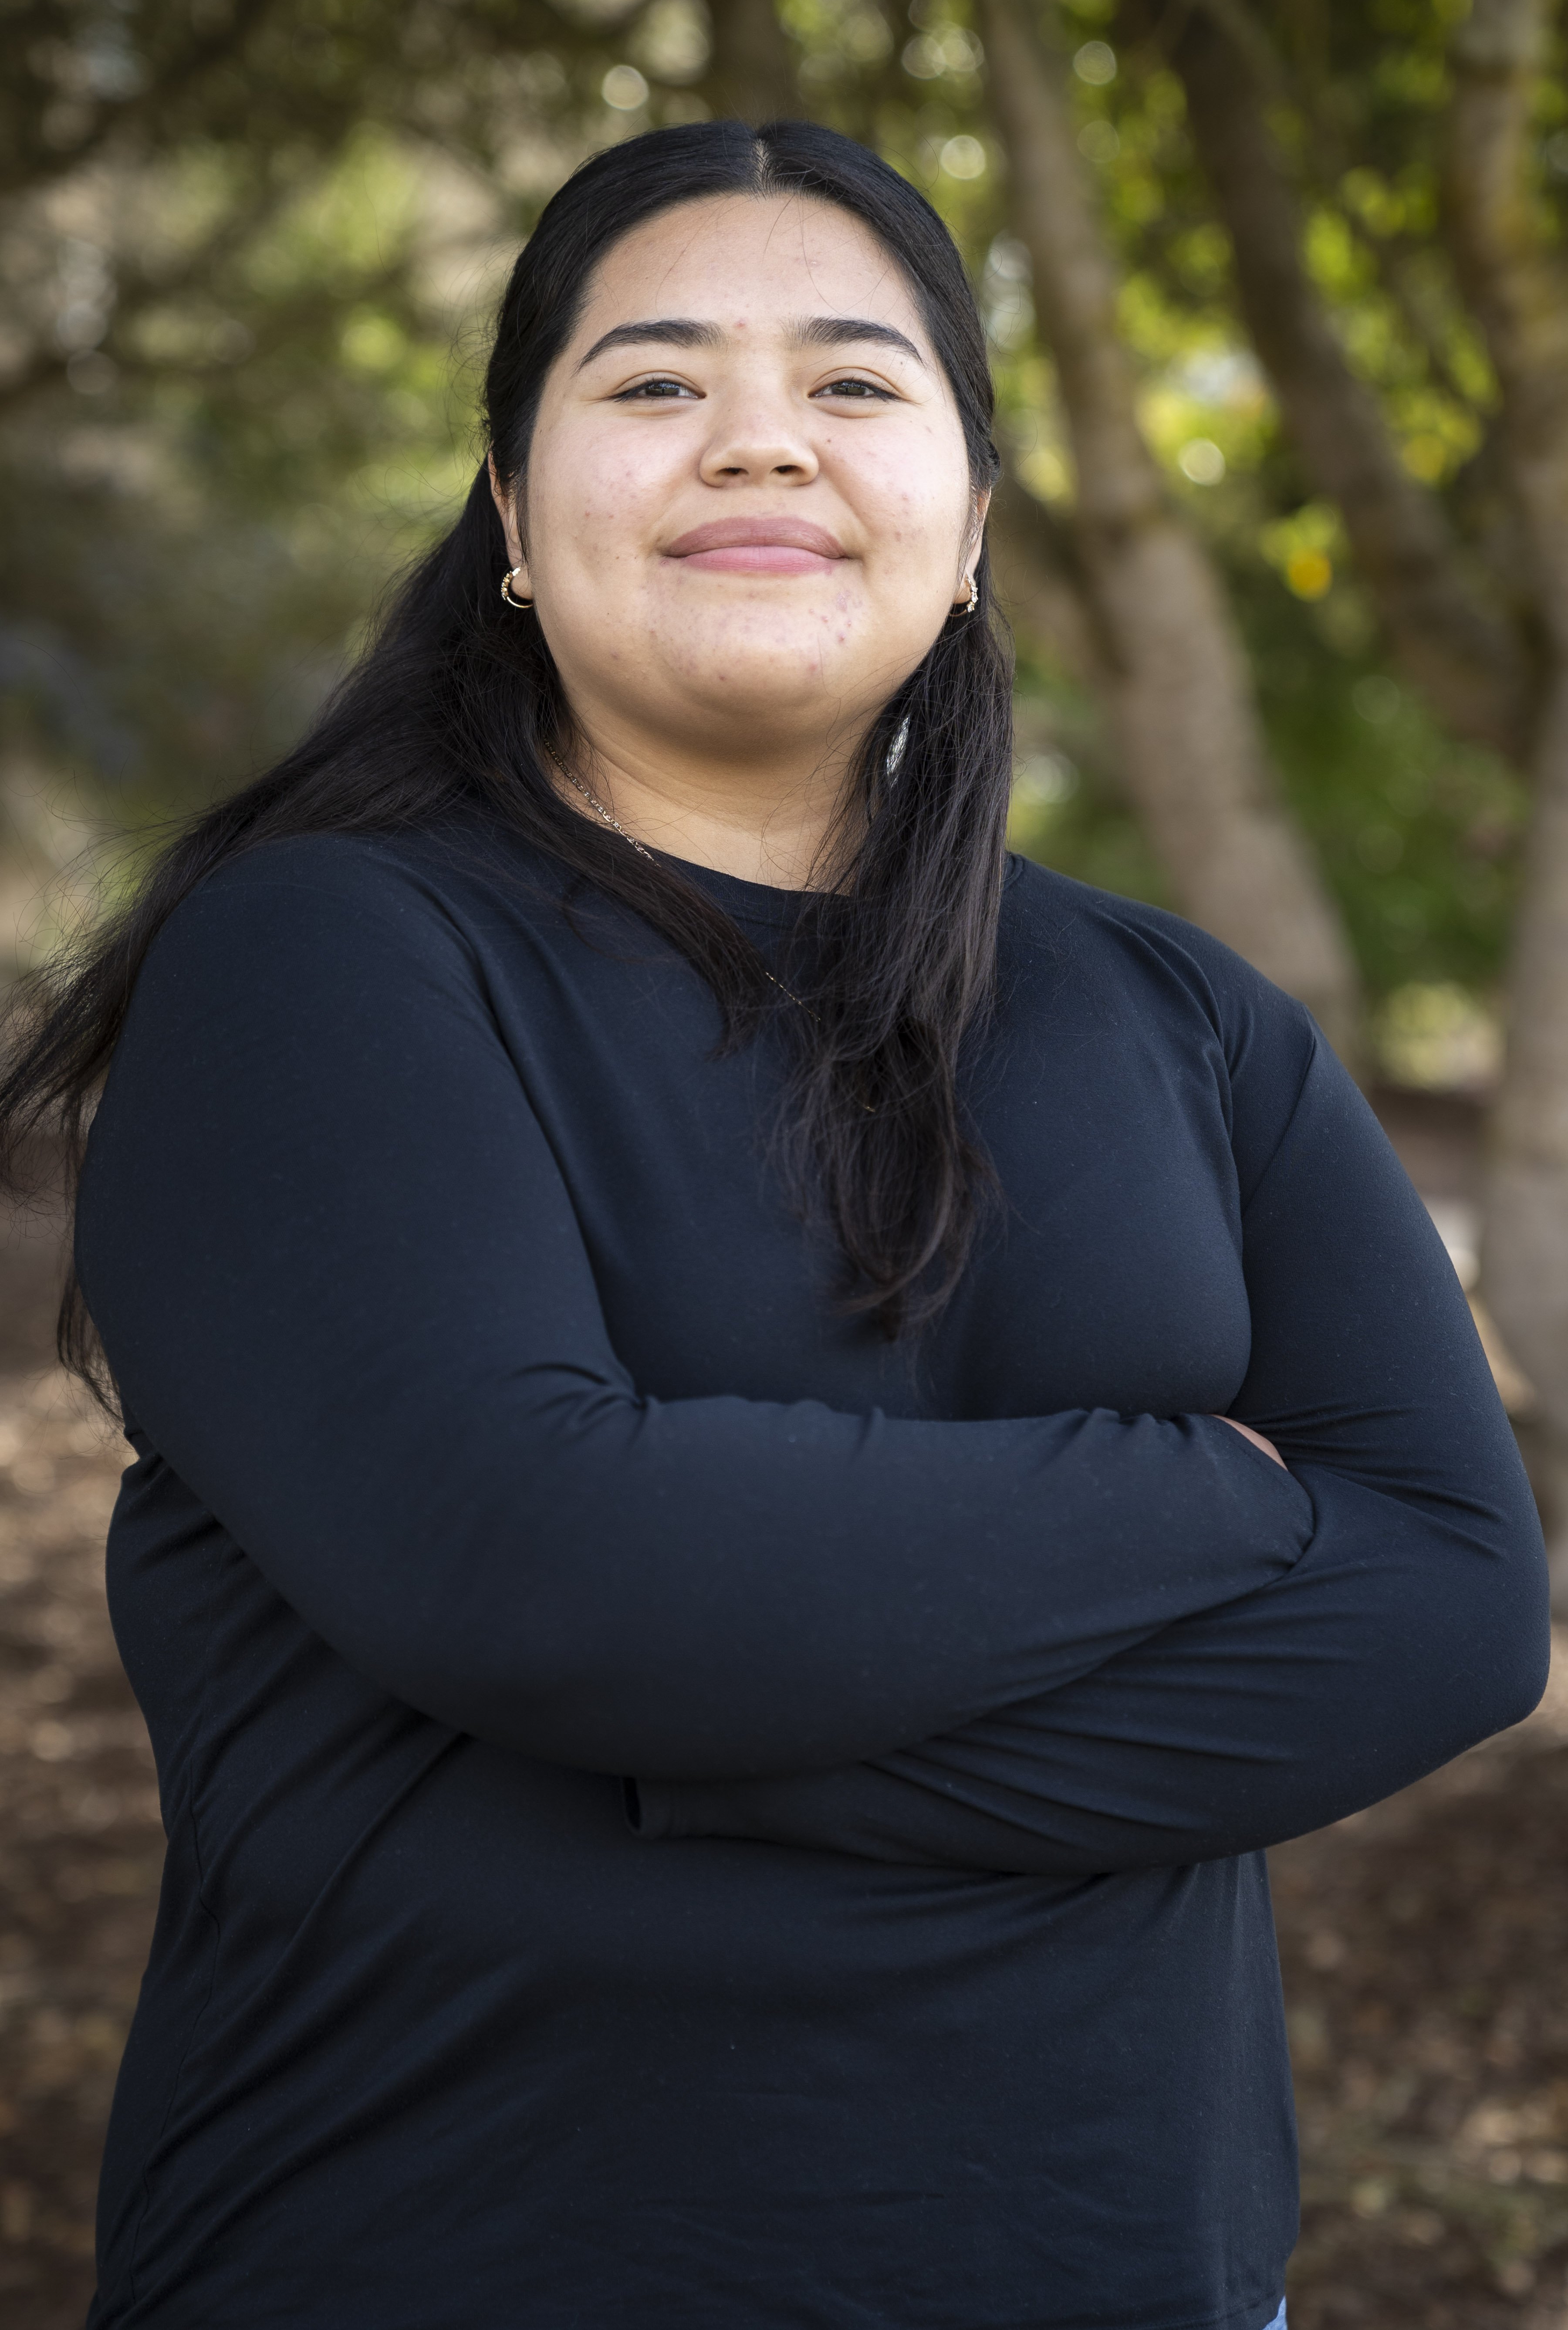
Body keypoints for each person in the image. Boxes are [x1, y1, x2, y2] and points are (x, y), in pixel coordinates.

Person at [1, 120, 1546, 2330]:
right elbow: (530, 1563)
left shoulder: (1185, 1017)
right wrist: (1215, 1495)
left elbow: (1459, 1611)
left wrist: (689, 1753)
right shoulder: (322, 966)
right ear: (512, 515)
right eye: (653, 382)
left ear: (974, 521)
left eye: (851, 382)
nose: (757, 438)